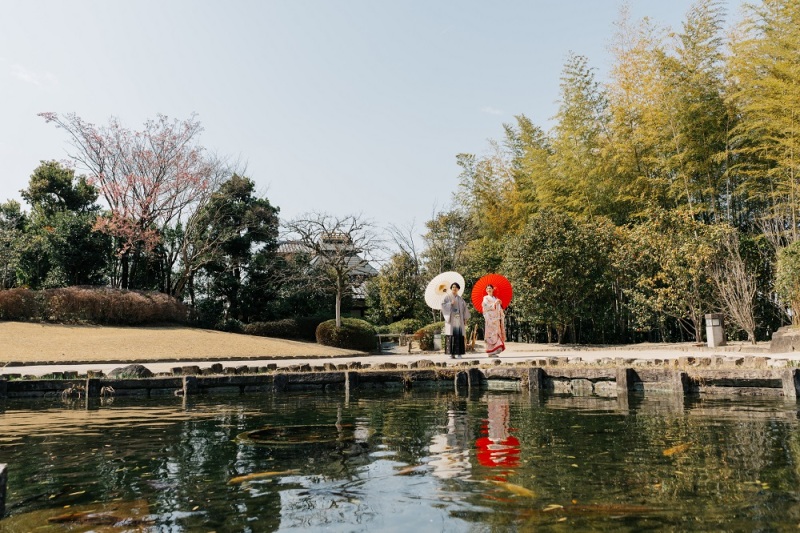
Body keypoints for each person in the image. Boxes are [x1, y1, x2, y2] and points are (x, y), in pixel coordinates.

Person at [441, 282, 470, 358]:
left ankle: (459, 353)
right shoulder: (447, 297)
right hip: (451, 319)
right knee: (451, 335)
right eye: (453, 287)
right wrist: (450, 303)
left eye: (456, 287)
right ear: (451, 288)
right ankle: (451, 354)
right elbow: (443, 305)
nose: (454, 288)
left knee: (459, 335)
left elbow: (464, 309)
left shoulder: (460, 299)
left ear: (458, 289)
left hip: (458, 319)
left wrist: (464, 319)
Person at [482, 284, 505, 357]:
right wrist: (495, 303)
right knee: (490, 335)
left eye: (490, 288)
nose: (489, 290)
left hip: (496, 319)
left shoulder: (495, 298)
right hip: (490, 319)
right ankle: (490, 352)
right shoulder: (485, 298)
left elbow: (499, 308)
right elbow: (485, 307)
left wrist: (500, 304)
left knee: (496, 334)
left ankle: (494, 351)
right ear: (486, 290)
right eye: (487, 288)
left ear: (493, 289)